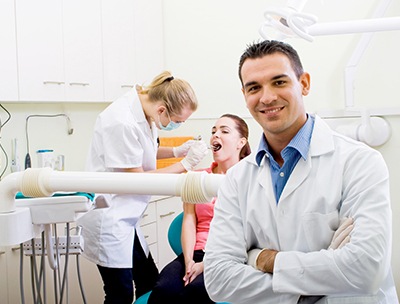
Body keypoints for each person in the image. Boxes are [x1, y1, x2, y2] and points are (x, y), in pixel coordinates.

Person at [203, 40, 398, 303]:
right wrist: (318, 277)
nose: (267, 97)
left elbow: (366, 269)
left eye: (279, 82)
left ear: (304, 83)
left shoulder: (360, 162)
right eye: (254, 87)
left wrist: (262, 258)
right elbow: (218, 279)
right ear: (245, 95)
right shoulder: (237, 180)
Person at [77, 71, 209, 304]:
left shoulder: (146, 110)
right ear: (162, 110)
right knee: (120, 293)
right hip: (110, 215)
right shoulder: (121, 121)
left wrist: (176, 151)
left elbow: (143, 150)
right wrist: (184, 164)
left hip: (128, 217)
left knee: (149, 282)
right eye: (177, 122)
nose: (177, 126)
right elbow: (137, 179)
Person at [148, 114, 251, 304]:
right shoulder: (197, 178)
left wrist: (205, 265)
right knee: (163, 291)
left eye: (224, 131)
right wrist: (189, 262)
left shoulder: (249, 181)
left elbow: (249, 234)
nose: (215, 135)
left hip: (228, 257)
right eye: (213, 131)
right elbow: (189, 220)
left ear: (241, 142)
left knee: (193, 295)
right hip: (195, 253)